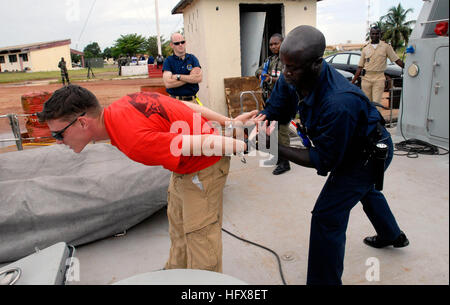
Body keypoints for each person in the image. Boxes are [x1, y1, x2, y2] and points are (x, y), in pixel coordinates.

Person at [37, 84, 257, 273]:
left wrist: (240, 143)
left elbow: (200, 144)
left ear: (83, 123)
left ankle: (203, 283)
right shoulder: (124, 103)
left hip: (203, 168)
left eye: (58, 134)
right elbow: (182, 106)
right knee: (178, 226)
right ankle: (176, 273)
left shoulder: (132, 138)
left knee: (200, 236)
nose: (58, 141)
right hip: (184, 169)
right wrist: (228, 122)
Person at [255, 25, 409, 285]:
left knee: (328, 216)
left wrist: (275, 148)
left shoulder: (339, 101)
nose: (285, 73)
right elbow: (278, 104)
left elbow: (324, 160)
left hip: (366, 155)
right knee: (366, 191)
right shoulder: (294, 73)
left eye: (292, 68)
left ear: (316, 64)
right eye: (284, 65)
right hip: (348, 145)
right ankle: (392, 235)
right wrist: (263, 116)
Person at [255, 33, 290, 175]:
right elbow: (258, 70)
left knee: (282, 132)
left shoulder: (288, 60)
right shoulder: (270, 60)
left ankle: (285, 162)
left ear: (283, 43)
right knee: (273, 131)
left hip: (283, 102)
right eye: (271, 44)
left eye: (276, 43)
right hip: (271, 101)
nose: (273, 46)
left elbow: (287, 79)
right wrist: (262, 75)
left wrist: (270, 79)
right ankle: (278, 157)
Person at [352, 26, 404, 103]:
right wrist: (353, 82)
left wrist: (408, 67)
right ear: (370, 34)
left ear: (380, 34)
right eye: (373, 34)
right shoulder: (365, 49)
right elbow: (360, 67)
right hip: (366, 79)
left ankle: (376, 115)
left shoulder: (386, 47)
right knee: (367, 103)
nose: (375, 35)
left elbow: (397, 60)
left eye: (377, 34)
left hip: (379, 78)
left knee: (376, 103)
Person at [162, 33, 202, 103]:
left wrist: (178, 76)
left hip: (193, 101)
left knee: (197, 114)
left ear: (185, 43)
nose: (180, 45)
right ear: (172, 45)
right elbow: (168, 83)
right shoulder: (168, 61)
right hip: (175, 102)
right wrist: (190, 78)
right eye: (177, 43)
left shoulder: (192, 58)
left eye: (182, 42)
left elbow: (198, 78)